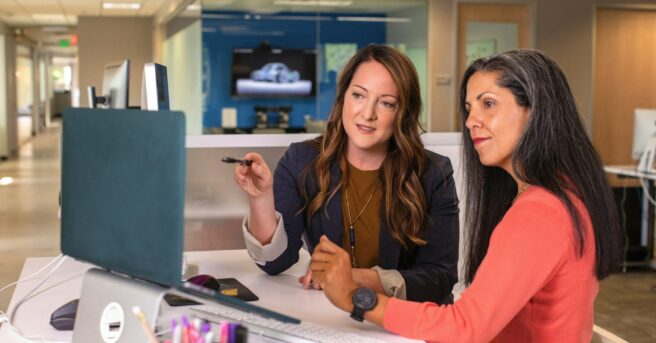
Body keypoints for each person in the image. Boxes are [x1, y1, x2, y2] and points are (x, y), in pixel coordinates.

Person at [309, 49, 623, 342]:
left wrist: (355, 299)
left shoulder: (540, 212)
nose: (471, 121)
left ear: (535, 111)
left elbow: (466, 327)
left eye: (488, 104)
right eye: (470, 108)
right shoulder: (566, 192)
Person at [233, 44, 460, 304]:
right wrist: (261, 197)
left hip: (403, 323)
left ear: (403, 113)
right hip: (332, 317)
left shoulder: (433, 173)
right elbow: (274, 262)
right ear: (343, 97)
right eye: (359, 96)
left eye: (386, 103)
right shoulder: (302, 160)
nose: (367, 114)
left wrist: (352, 277)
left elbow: (439, 279)